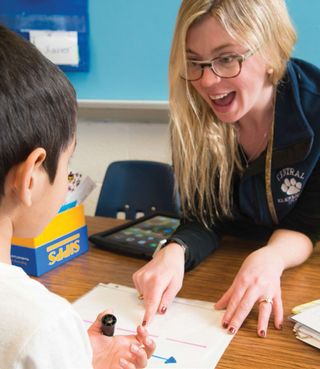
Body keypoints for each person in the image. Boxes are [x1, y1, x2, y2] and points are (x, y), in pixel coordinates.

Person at [133, 0, 320, 338]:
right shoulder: (192, 113)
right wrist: (175, 251)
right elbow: (205, 217)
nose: (207, 80)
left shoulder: (316, 109)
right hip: (221, 276)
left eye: (226, 58)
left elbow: (308, 226)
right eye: (194, 62)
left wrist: (272, 257)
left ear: (272, 50)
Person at [0, 24, 155, 369]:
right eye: (69, 162)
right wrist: (62, 348)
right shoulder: (43, 326)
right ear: (31, 177)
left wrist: (76, 356)